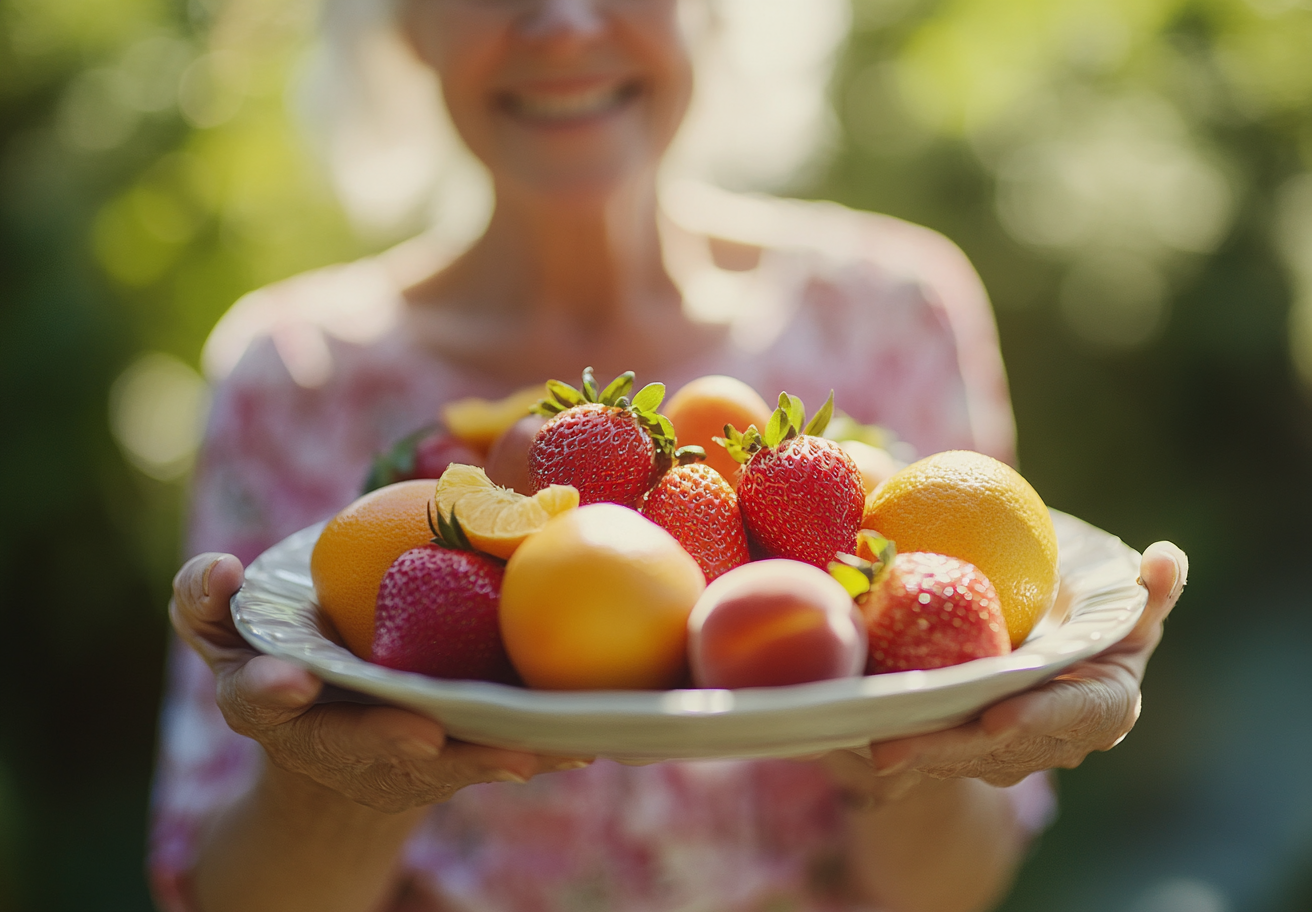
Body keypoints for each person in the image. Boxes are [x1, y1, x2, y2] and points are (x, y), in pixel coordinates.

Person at [154, 2, 1190, 911]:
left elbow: (943, 888)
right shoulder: (293, 376)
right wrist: (325, 784)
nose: (561, 20)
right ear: (398, 19)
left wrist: (918, 741)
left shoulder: (892, 314)